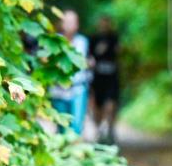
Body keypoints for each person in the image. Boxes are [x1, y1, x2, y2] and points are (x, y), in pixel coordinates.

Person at [49, 9, 90, 135]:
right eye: (66, 21)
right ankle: (63, 152)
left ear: (77, 24)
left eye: (72, 22)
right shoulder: (55, 40)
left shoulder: (82, 41)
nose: (69, 24)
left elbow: (84, 62)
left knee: (76, 127)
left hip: (77, 88)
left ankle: (75, 151)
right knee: (61, 127)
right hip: (58, 90)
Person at [89, 15, 121, 145]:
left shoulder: (114, 38)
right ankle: (99, 130)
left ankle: (110, 128)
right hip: (98, 77)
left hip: (112, 76)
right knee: (98, 105)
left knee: (111, 102)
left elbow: (119, 53)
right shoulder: (94, 39)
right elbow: (90, 56)